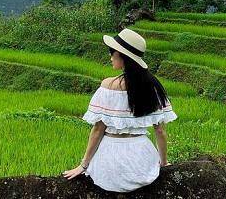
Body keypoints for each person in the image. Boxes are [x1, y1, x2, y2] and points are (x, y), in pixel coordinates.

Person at [62, 28, 177, 192]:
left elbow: (97, 130)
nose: (110, 57)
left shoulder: (108, 86)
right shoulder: (152, 85)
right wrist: (164, 163)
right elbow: (160, 131)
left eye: (113, 53)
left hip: (109, 162)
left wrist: (83, 165)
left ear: (123, 57)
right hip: (142, 161)